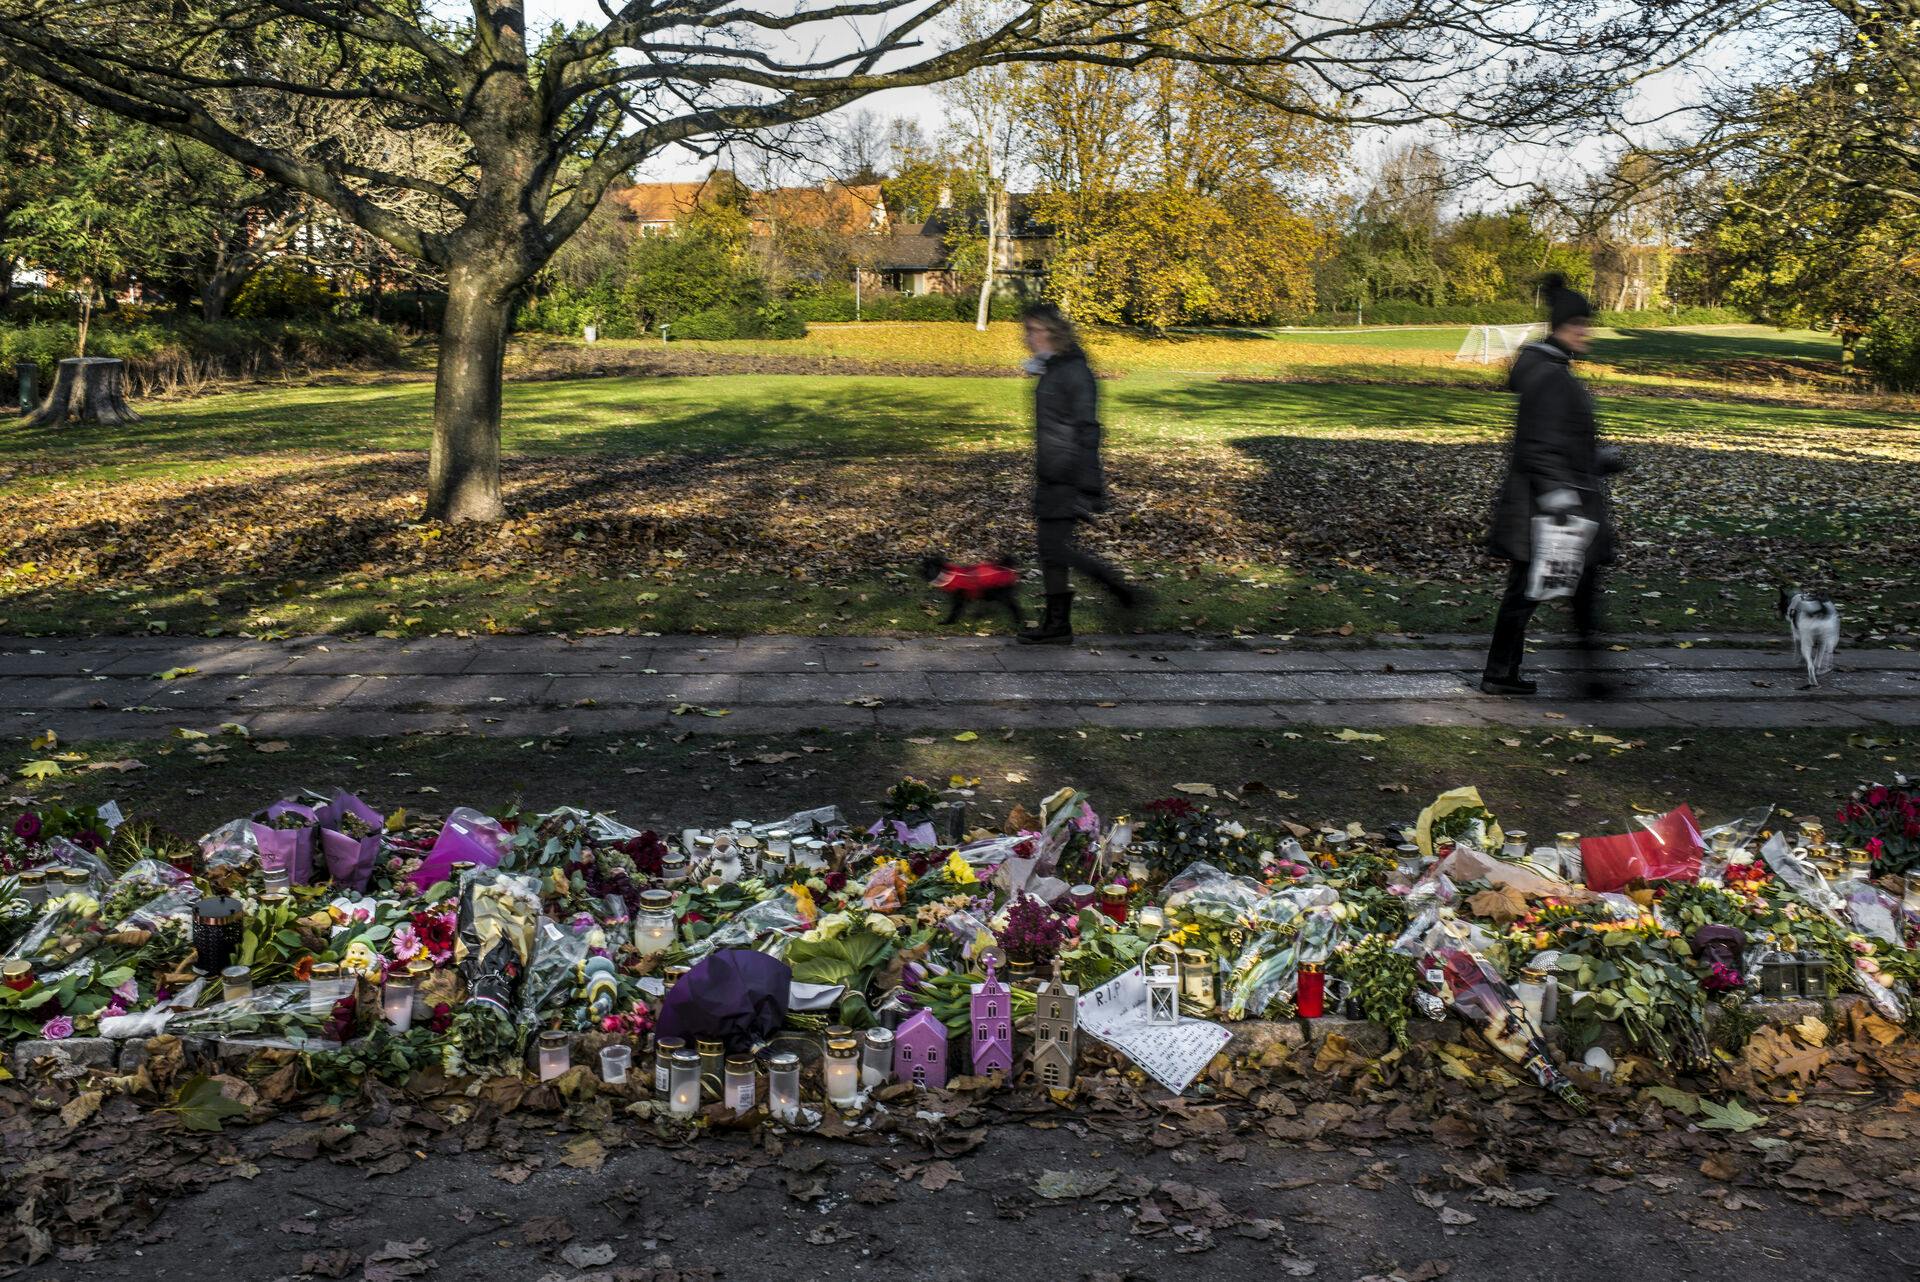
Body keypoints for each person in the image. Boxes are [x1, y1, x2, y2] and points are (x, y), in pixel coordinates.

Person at [1481, 275, 1621, 696]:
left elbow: (1558, 441)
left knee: (1551, 592)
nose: (1586, 331)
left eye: (1587, 322)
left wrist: (1600, 460)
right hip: (1549, 509)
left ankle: (1507, 674)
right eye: (1578, 323)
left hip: (1553, 504)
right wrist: (1560, 497)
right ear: (1559, 326)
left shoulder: (1550, 370)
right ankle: (1516, 675)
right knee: (1531, 592)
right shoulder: (1549, 377)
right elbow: (1538, 448)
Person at [1017, 301, 1141, 645]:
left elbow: (1088, 428)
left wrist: (1089, 485)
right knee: (1050, 549)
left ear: (1053, 332)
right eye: (1025, 331)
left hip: (1067, 475)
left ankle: (1117, 588)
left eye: (1033, 331)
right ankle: (1058, 625)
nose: (1027, 338)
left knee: (1055, 549)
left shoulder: (1074, 371)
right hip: (1050, 471)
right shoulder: (1054, 367)